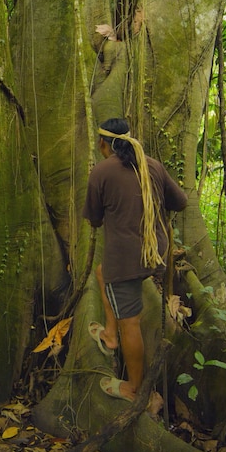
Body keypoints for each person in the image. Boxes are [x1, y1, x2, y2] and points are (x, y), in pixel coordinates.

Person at [82, 118, 188, 401]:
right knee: (102, 274)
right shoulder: (151, 164)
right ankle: (110, 333)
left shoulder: (101, 172)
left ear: (103, 144)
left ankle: (133, 387)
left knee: (132, 321)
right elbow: (181, 202)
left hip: (127, 261)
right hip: (156, 253)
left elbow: (93, 220)